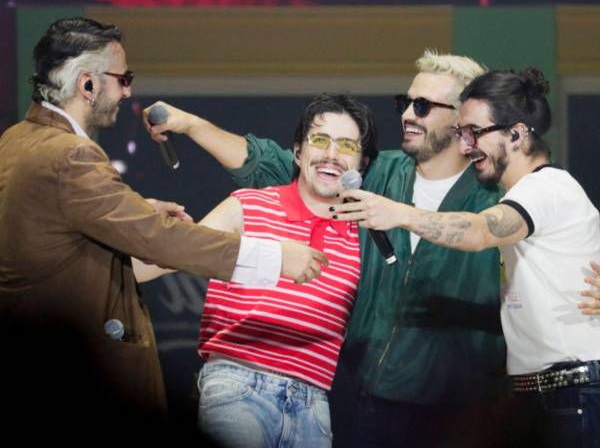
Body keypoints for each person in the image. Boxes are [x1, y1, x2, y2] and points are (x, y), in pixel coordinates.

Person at [145, 50, 507, 448]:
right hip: (364, 401)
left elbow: (527, 252)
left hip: (459, 410)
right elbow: (276, 164)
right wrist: (192, 125)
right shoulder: (376, 175)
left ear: (462, 120)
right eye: (405, 103)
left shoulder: (496, 194)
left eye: (422, 106)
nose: (407, 114)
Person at [0, 16, 327, 425]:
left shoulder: (17, 139)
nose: (128, 91)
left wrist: (136, 211)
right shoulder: (70, 155)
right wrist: (274, 258)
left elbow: (66, 233)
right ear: (87, 85)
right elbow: (158, 239)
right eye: (123, 78)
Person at [333, 67, 600, 448]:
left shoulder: (546, 188)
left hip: (572, 396)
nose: (465, 145)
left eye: (474, 132)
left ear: (516, 134)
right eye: (461, 132)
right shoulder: (537, 195)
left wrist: (400, 214)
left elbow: (480, 231)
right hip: (542, 397)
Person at [137, 93, 378, 448]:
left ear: (362, 164)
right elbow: (158, 262)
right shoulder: (248, 205)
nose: (331, 154)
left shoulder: (367, 235)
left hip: (314, 404)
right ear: (298, 152)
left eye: (346, 145)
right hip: (237, 386)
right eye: (320, 140)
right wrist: (131, 231)